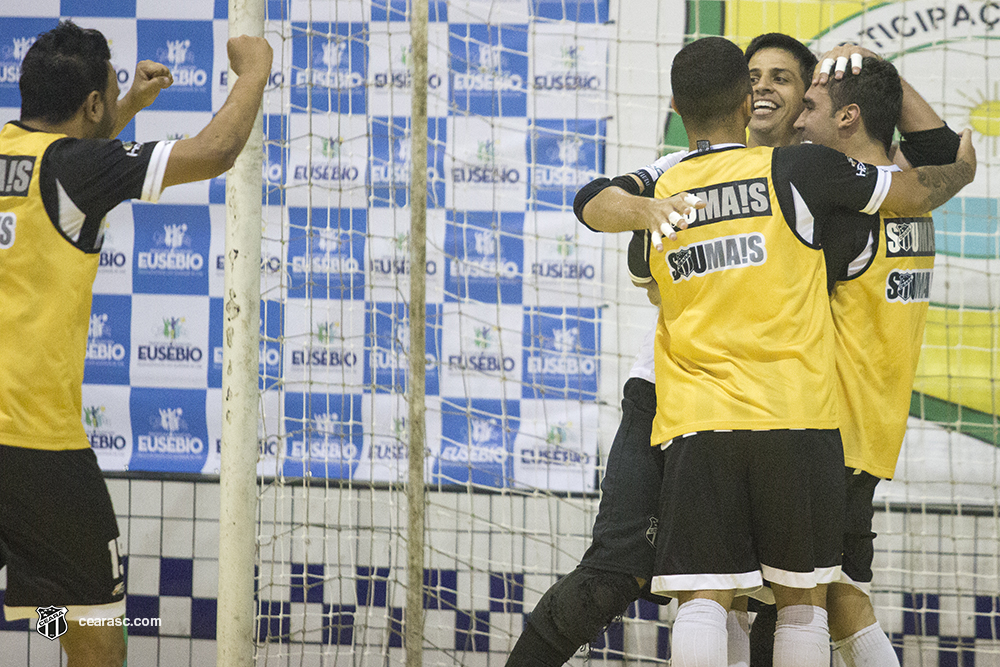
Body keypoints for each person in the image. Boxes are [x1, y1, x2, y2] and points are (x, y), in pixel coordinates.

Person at [584, 35, 972, 667]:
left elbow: (608, 219)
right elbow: (929, 175)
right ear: (743, 98)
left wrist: (661, 218)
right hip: (828, 423)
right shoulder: (840, 189)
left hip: (747, 419)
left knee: (724, 599)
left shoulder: (694, 188)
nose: (791, 114)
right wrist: (958, 161)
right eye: (760, 84)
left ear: (677, 105)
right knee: (811, 602)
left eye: (806, 101)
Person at [0, 20, 272, 667]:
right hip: (36, 446)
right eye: (110, 92)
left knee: (48, 610)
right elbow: (216, 150)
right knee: (101, 638)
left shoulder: (26, 158)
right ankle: (70, 631)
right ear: (89, 104)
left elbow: (63, 173)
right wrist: (255, 70)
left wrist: (124, 109)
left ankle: (50, 621)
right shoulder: (74, 170)